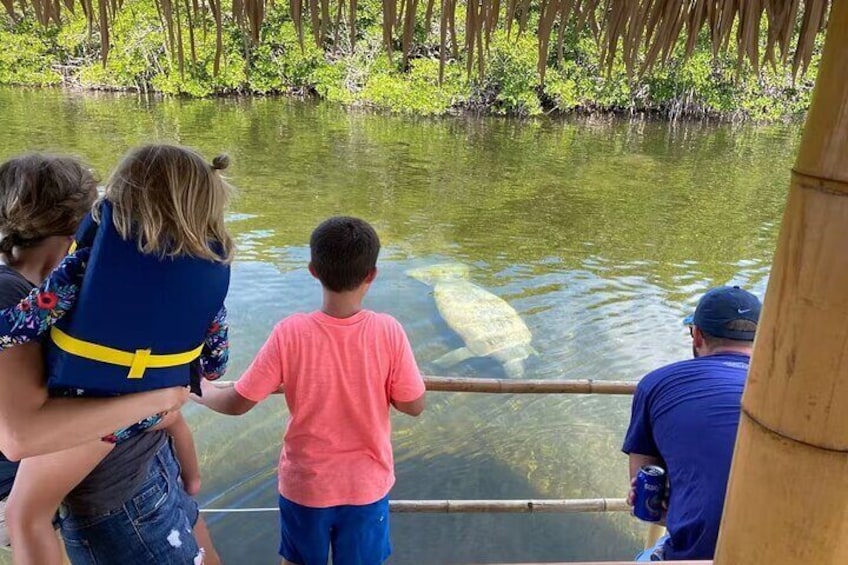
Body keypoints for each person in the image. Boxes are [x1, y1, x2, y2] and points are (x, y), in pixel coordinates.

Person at [0, 146, 233, 565]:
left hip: (107, 439)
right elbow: (213, 364)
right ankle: (193, 478)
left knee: (24, 513)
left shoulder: (83, 267)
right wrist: (169, 391)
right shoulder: (205, 275)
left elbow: (28, 321)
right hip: (151, 426)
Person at [196, 216, 426, 565]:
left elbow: (238, 401)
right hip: (366, 486)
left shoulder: (291, 332)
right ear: (372, 275)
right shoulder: (388, 331)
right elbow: (413, 404)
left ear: (313, 270)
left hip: (306, 485)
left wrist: (198, 387)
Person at [622, 285, 762, 561]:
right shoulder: (795, 391)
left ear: (697, 335)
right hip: (798, 548)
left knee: (645, 556)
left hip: (697, 554)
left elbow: (648, 500)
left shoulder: (656, 383)